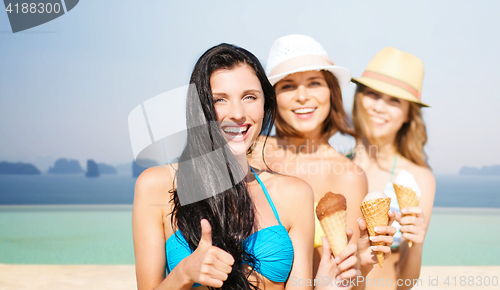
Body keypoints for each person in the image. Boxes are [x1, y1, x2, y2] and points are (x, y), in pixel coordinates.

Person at [132, 43, 359, 290]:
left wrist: (326, 286)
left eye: (249, 97)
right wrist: (183, 273)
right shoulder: (156, 185)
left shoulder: (296, 193)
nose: (238, 113)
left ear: (265, 105)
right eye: (220, 100)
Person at [249, 34, 396, 280]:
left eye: (314, 83)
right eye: (288, 85)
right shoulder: (248, 152)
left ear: (331, 92)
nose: (303, 96)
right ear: (272, 98)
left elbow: (347, 281)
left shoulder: (348, 176)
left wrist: (362, 263)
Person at [350, 47, 436, 290]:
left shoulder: (419, 178)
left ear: (409, 113)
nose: (379, 107)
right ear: (358, 98)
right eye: (372, 94)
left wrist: (416, 243)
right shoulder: (334, 164)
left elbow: (406, 282)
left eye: (394, 100)